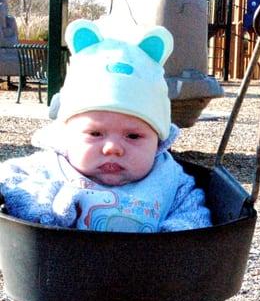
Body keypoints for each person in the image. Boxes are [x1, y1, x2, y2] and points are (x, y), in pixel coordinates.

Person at [0, 19, 212, 232]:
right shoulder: (49, 167)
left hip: (147, 264)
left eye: (133, 136)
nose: (113, 148)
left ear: (159, 142)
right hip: (60, 260)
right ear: (66, 135)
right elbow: (8, 179)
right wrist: (42, 208)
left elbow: (193, 214)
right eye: (95, 133)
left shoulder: (170, 179)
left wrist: (171, 241)